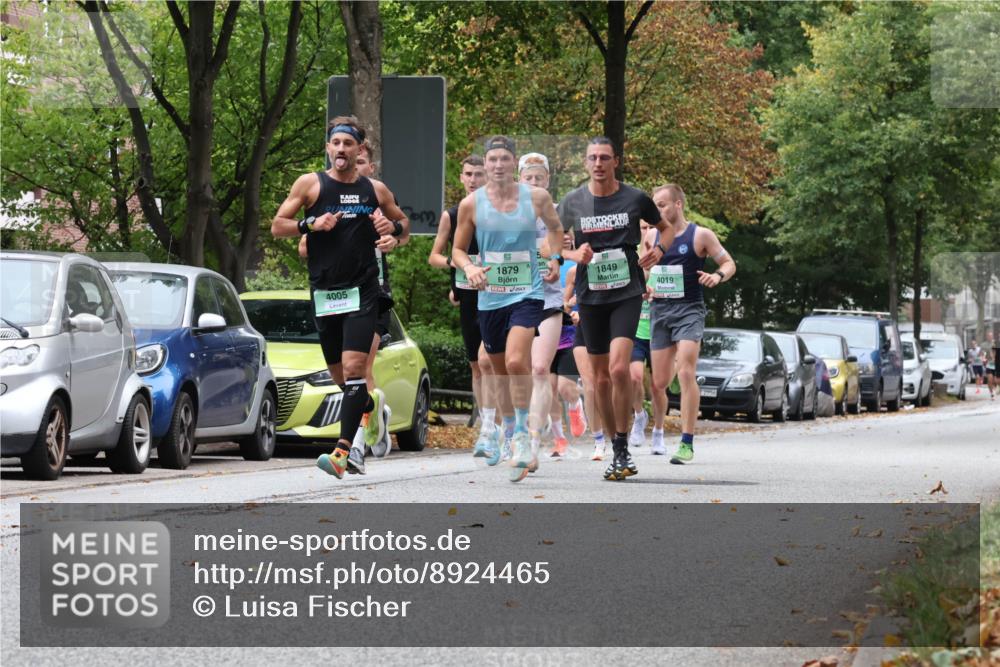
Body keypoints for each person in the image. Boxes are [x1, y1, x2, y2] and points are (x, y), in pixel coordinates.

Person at [272, 116, 408, 478]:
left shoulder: (374, 190)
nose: (342, 150)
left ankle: (342, 452)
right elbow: (277, 226)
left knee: (353, 371)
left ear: (359, 149)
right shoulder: (310, 185)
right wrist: (309, 224)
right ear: (329, 148)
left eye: (349, 144)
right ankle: (371, 412)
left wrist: (392, 232)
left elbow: (403, 224)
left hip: (363, 291)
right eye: (336, 144)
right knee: (341, 378)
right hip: (325, 293)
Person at [559, 137, 674, 481]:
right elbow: (550, 241)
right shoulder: (574, 201)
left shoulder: (635, 198)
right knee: (599, 379)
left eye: (604, 158)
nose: (598, 163)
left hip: (627, 291)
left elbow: (666, 229)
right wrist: (571, 255)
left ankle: (623, 446)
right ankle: (617, 447)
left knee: (620, 369)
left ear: (615, 162)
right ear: (585, 162)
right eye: (592, 157)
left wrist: (660, 252)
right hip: (590, 296)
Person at [453, 135, 564, 482]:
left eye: (504, 158)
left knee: (518, 361)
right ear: (485, 166)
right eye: (492, 160)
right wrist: (469, 268)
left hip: (528, 292)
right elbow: (457, 250)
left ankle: (520, 436)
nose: (498, 165)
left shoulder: (536, 198)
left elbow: (557, 232)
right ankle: (511, 428)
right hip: (490, 298)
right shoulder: (471, 205)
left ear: (512, 163)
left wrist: (555, 258)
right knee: (499, 372)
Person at [647, 184, 735, 465]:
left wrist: (717, 276)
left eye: (662, 205)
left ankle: (686, 442)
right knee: (659, 382)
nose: (657, 210)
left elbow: (729, 262)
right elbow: (645, 268)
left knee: (686, 373)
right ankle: (674, 366)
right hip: (660, 310)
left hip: (689, 310)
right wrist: (646, 285)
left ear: (678, 205)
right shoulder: (650, 235)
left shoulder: (700, 235)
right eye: (654, 205)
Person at [428, 155, 493, 435]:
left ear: (488, 177)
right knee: (477, 364)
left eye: (479, 174)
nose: (473, 180)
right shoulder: (452, 215)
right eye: (468, 174)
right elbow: (434, 256)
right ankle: (486, 420)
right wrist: (456, 264)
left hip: (497, 293)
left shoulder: (498, 212)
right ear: (461, 177)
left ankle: (500, 418)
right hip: (467, 295)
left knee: (494, 359)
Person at [519, 152, 565, 461]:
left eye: (539, 178)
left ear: (547, 181)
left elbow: (566, 248)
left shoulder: (559, 214)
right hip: (514, 299)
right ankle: (524, 425)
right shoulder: (504, 212)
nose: (534, 182)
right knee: (518, 371)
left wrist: (557, 259)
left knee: (539, 369)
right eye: (528, 177)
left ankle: (533, 441)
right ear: (518, 180)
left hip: (548, 299)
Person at [564, 264, 606, 460]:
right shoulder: (574, 271)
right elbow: (565, 304)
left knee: (606, 383)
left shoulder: (611, 262)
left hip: (608, 325)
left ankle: (615, 433)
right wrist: (571, 308)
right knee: (590, 386)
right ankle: (598, 440)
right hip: (583, 328)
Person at [627, 220, 655, 450]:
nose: (646, 232)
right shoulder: (628, 257)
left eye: (650, 228)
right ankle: (638, 416)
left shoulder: (666, 255)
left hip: (660, 330)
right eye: (642, 228)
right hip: (635, 329)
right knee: (634, 377)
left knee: (659, 385)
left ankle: (659, 432)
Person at [987, 330, 998, 400]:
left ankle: (995, 389)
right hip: (989, 365)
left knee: (995, 381)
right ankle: (991, 393)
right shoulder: (987, 345)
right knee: (990, 379)